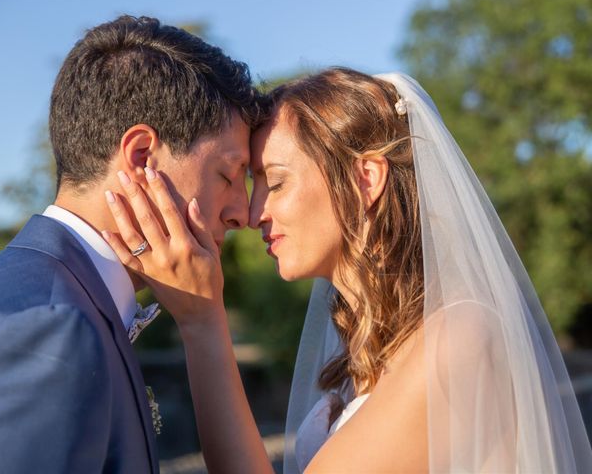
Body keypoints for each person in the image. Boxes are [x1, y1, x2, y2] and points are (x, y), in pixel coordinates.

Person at [105, 67, 592, 472]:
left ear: (367, 178)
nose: (254, 215)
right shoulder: (366, 349)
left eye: (274, 182)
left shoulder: (459, 339)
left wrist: (203, 322)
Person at [0, 15, 264, 473]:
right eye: (227, 175)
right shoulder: (50, 329)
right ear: (141, 158)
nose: (242, 212)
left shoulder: (34, 292)